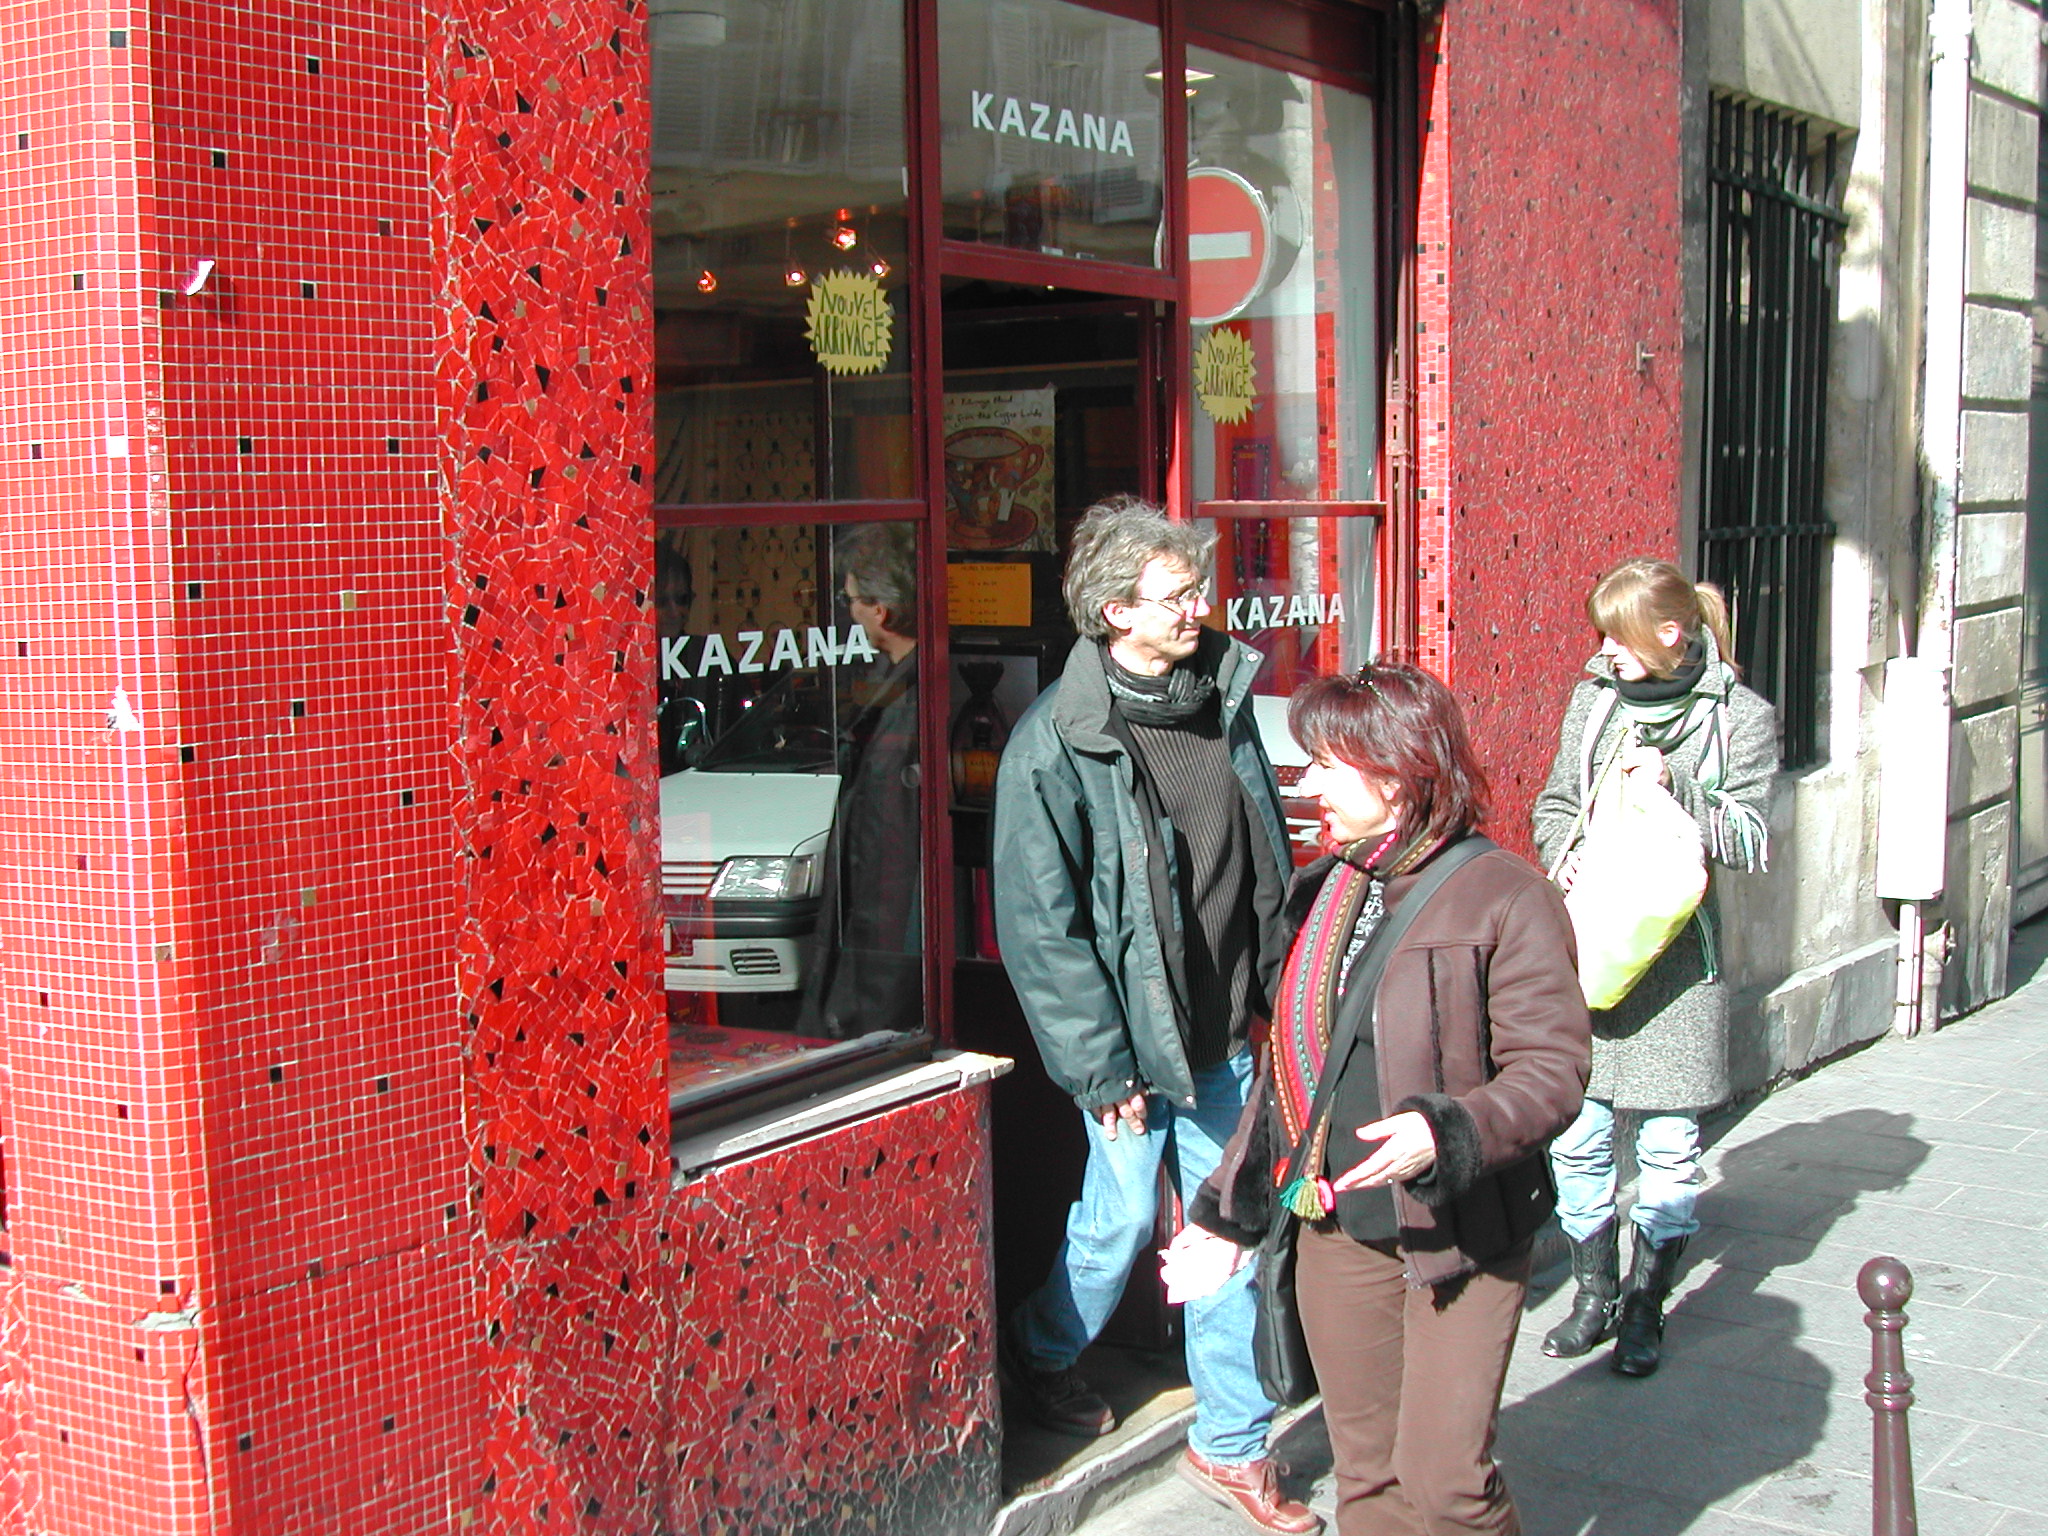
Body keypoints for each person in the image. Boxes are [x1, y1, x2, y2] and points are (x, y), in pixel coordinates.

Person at [1173, 662, 1589, 1536]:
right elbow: (1291, 1079)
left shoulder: (1508, 896)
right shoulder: (1325, 888)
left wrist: (1449, 1133)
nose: (1309, 783)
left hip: (1462, 1234)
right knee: (1368, 1476)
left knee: (1447, 1486)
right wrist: (1227, 1217)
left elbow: (1553, 1071)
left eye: (1328, 765)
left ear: (1396, 775)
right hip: (1338, 1230)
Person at [992, 497, 1314, 1536]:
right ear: (1114, 613)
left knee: (1225, 1234)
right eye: (1176, 595)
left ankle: (1230, 1444)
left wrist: (1276, 990)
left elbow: (1261, 858)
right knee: (1121, 1222)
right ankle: (1039, 1347)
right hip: (1127, 1051)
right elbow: (1042, 931)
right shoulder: (1053, 744)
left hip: (1223, 1037)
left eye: (1195, 589)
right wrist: (1100, 1070)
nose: (1197, 608)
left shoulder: (1220, 698)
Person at [1532, 558, 1776, 1378]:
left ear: (1669, 633)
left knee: (1669, 1149)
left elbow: (1750, 838)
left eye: (1619, 636)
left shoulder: (1739, 717)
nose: (1605, 650)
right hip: (1590, 951)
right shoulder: (1595, 698)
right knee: (1578, 1140)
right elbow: (1554, 802)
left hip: (1677, 970)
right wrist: (1564, 853)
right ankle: (1593, 1293)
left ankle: (1646, 1303)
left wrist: (1680, 785)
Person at [797, 523, 922, 1039]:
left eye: (850, 601)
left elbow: (888, 859)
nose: (848, 613)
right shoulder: (900, 686)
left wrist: (867, 999)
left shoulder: (910, 704)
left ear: (881, 610)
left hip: (885, 955)